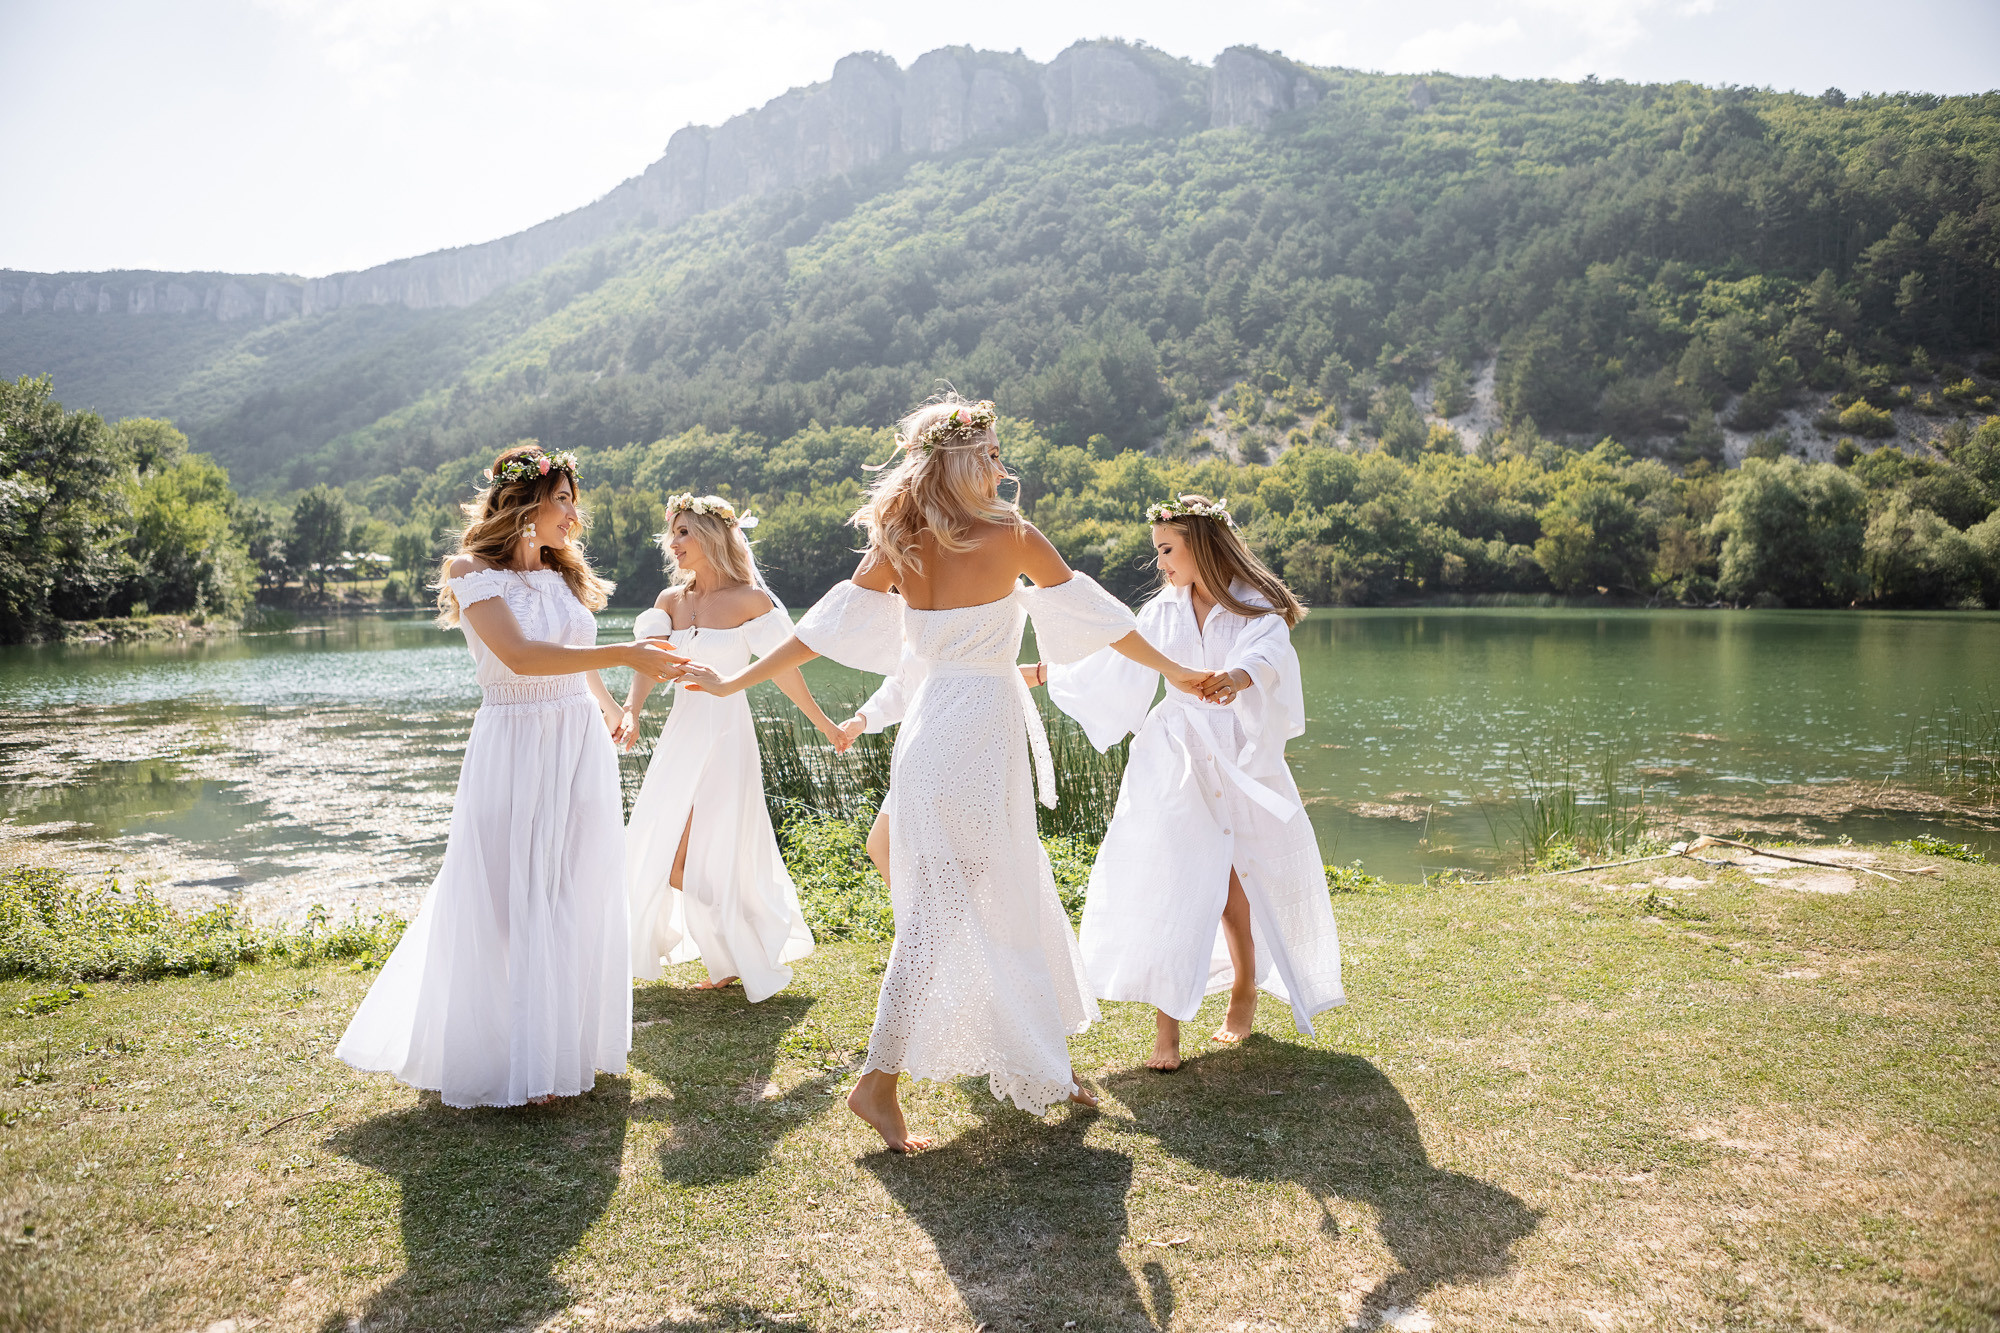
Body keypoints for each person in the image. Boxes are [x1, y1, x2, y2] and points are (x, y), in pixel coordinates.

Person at [681, 395, 1215, 1151]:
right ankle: (879, 1078)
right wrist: (1181, 674)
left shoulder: (901, 537)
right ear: (965, 461)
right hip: (978, 732)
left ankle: (1045, 1062)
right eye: (991, 452)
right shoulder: (1011, 535)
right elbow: (1103, 619)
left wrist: (737, 683)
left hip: (932, 734)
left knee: (1010, 887)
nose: (1002, 466)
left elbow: (818, 630)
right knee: (944, 912)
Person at [335, 445, 687, 1108]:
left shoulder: (560, 577)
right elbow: (524, 657)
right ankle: (510, 1060)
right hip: (515, 738)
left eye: (572, 501)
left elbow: (571, 655)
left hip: (576, 740)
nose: (573, 515)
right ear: (525, 504)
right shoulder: (470, 571)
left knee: (571, 886)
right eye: (562, 499)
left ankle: (559, 1052)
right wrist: (627, 652)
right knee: (507, 892)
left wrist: (611, 703)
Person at [1044, 494, 1345, 1072]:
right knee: (1174, 878)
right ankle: (1168, 1031)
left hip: (1237, 755)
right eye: (1157, 551)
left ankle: (1243, 988)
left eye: (1166, 550)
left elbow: (1270, 655)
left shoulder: (1256, 606)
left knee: (1235, 886)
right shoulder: (1163, 611)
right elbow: (1115, 660)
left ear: (1201, 547)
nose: (1159, 563)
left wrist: (1235, 677)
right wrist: (1042, 672)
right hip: (1173, 758)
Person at [620, 493, 844, 1000]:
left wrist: (824, 723)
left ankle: (734, 951)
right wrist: (633, 711)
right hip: (681, 733)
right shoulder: (668, 602)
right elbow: (648, 662)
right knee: (669, 850)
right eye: (671, 533)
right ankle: (734, 944)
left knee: (708, 848)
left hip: (726, 735)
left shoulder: (750, 601)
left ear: (713, 537)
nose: (672, 543)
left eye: (683, 533)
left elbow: (785, 668)